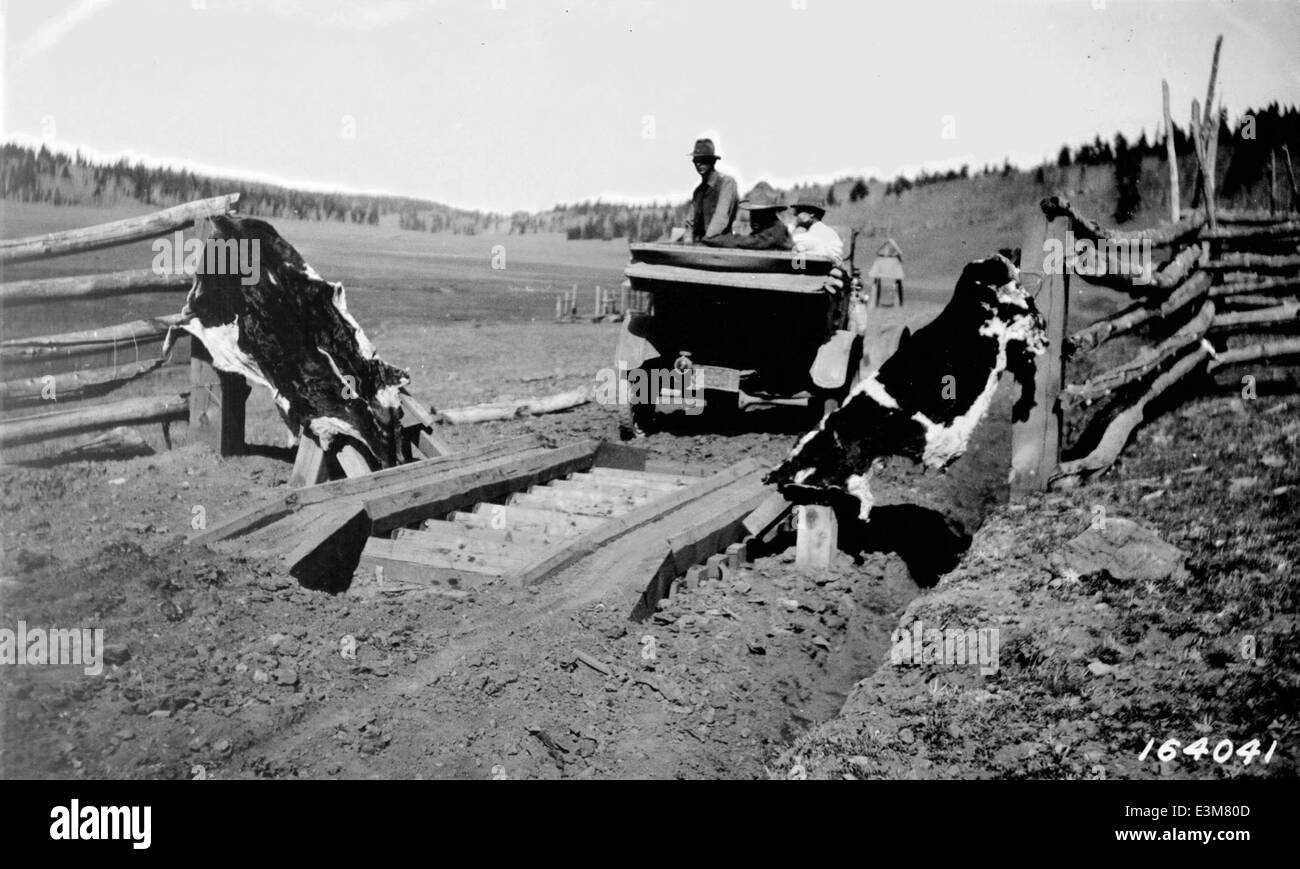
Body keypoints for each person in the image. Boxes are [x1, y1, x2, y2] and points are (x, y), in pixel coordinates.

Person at [702, 181, 793, 250]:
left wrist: (713, 240)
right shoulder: (765, 230)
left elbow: (747, 242)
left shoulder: (775, 230)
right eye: (753, 212)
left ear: (770, 213)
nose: (755, 217)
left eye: (761, 213)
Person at [685, 138, 738, 243]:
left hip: (719, 247)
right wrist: (687, 241)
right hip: (701, 246)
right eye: (696, 160)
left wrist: (705, 242)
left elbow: (720, 219)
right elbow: (690, 224)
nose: (699, 164)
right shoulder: (698, 192)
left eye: (703, 160)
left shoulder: (726, 183)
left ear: (713, 161)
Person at [790, 193, 843, 259]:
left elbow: (788, 242)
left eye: (799, 211)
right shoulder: (822, 230)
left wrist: (793, 226)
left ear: (812, 213)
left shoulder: (820, 233)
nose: (795, 214)